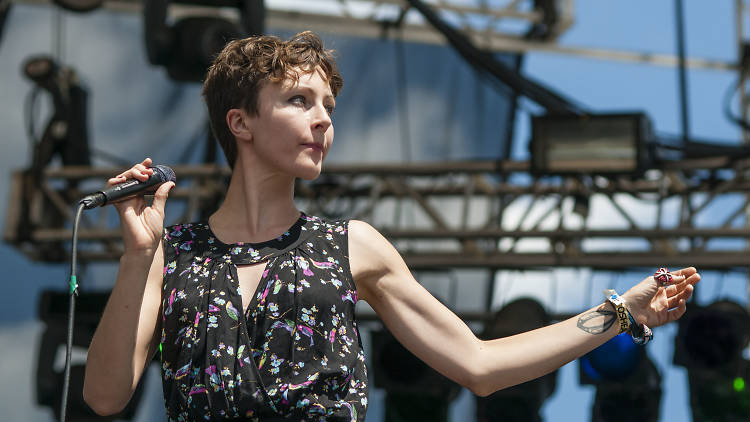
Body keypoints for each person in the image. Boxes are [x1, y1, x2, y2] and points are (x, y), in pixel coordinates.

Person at [83, 31, 700, 421]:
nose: (324, 120)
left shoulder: (350, 245)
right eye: (300, 101)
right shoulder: (175, 254)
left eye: (329, 105)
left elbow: (479, 366)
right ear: (240, 123)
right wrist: (138, 257)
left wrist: (622, 313)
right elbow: (105, 398)